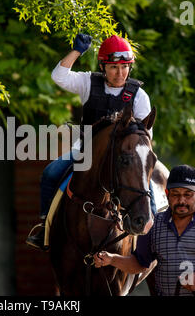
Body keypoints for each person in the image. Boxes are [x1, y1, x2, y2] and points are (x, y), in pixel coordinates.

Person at [26, 33, 155, 250]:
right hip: (86, 152)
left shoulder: (140, 96)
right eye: (114, 67)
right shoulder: (88, 82)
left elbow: (145, 137)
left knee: (145, 186)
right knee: (50, 174)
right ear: (103, 66)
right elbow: (59, 76)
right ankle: (46, 229)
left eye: (125, 67)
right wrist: (77, 51)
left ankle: (152, 234)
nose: (120, 72)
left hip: (124, 157)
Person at [93, 164, 195, 296]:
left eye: (188, 194)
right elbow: (139, 264)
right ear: (167, 194)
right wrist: (112, 259)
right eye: (175, 194)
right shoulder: (155, 224)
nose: (181, 201)